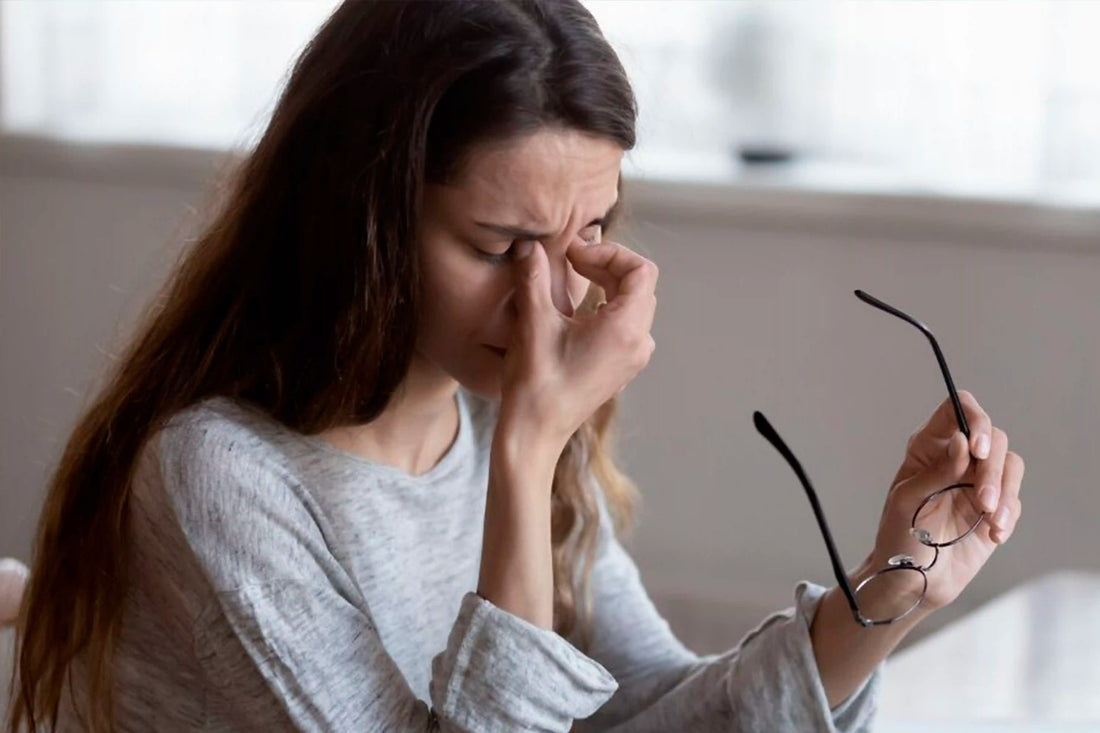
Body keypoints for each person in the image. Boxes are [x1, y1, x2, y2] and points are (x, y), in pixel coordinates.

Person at [7, 1, 1025, 731]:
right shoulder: (220, 478)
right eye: (497, 246)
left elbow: (652, 710)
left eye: (588, 231)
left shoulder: (499, 418)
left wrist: (894, 582)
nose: (551, 299)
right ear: (362, 222)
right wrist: (530, 451)